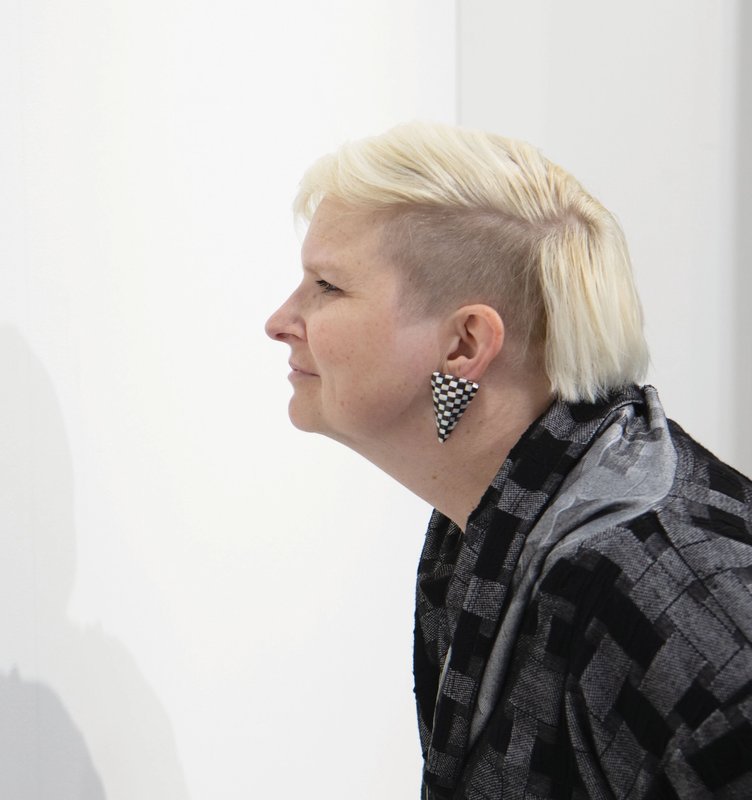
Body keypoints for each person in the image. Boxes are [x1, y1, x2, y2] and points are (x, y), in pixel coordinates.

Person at [265, 122, 752, 799]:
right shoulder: (487, 527)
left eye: (326, 286)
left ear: (465, 345)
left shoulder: (677, 606)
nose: (281, 320)